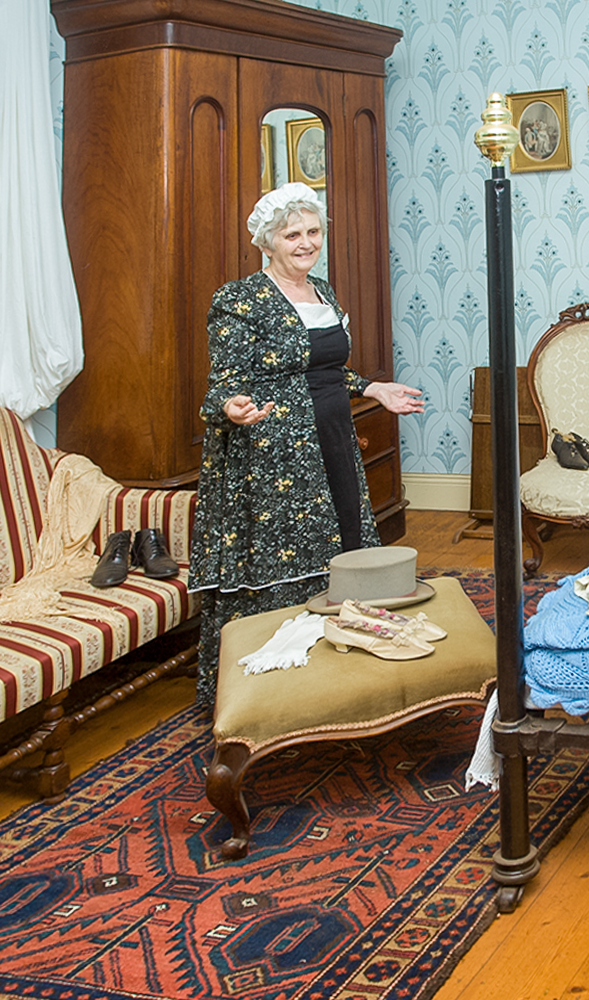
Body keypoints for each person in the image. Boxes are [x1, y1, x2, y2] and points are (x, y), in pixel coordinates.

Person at [188, 182, 424, 703]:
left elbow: (325, 369)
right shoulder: (238, 299)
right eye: (292, 234)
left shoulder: (324, 292)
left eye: (313, 232)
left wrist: (371, 388)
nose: (306, 242)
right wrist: (231, 407)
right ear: (267, 242)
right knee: (290, 563)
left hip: (332, 439)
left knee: (345, 547)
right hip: (275, 452)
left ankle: (348, 670)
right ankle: (280, 687)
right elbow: (223, 382)